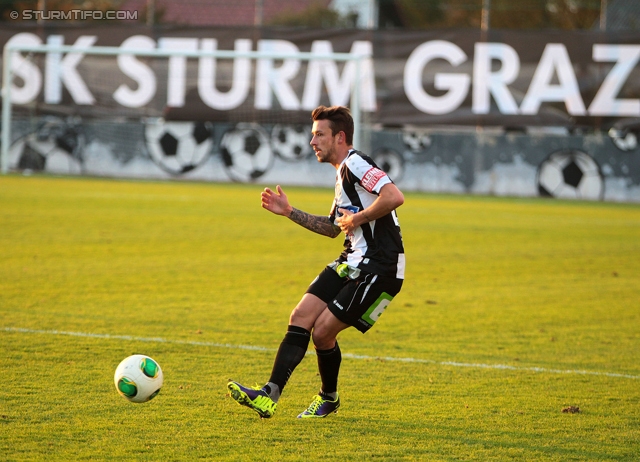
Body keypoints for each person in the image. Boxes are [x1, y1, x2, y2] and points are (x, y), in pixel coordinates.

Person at [227, 105, 405, 419]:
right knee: (301, 314)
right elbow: (331, 228)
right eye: (313, 135)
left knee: (322, 331)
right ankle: (269, 395)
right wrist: (289, 212)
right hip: (351, 259)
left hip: (379, 267)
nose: (313, 142)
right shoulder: (341, 175)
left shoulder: (356, 163)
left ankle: (329, 398)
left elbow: (393, 196)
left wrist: (359, 218)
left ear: (340, 137)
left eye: (319, 134)